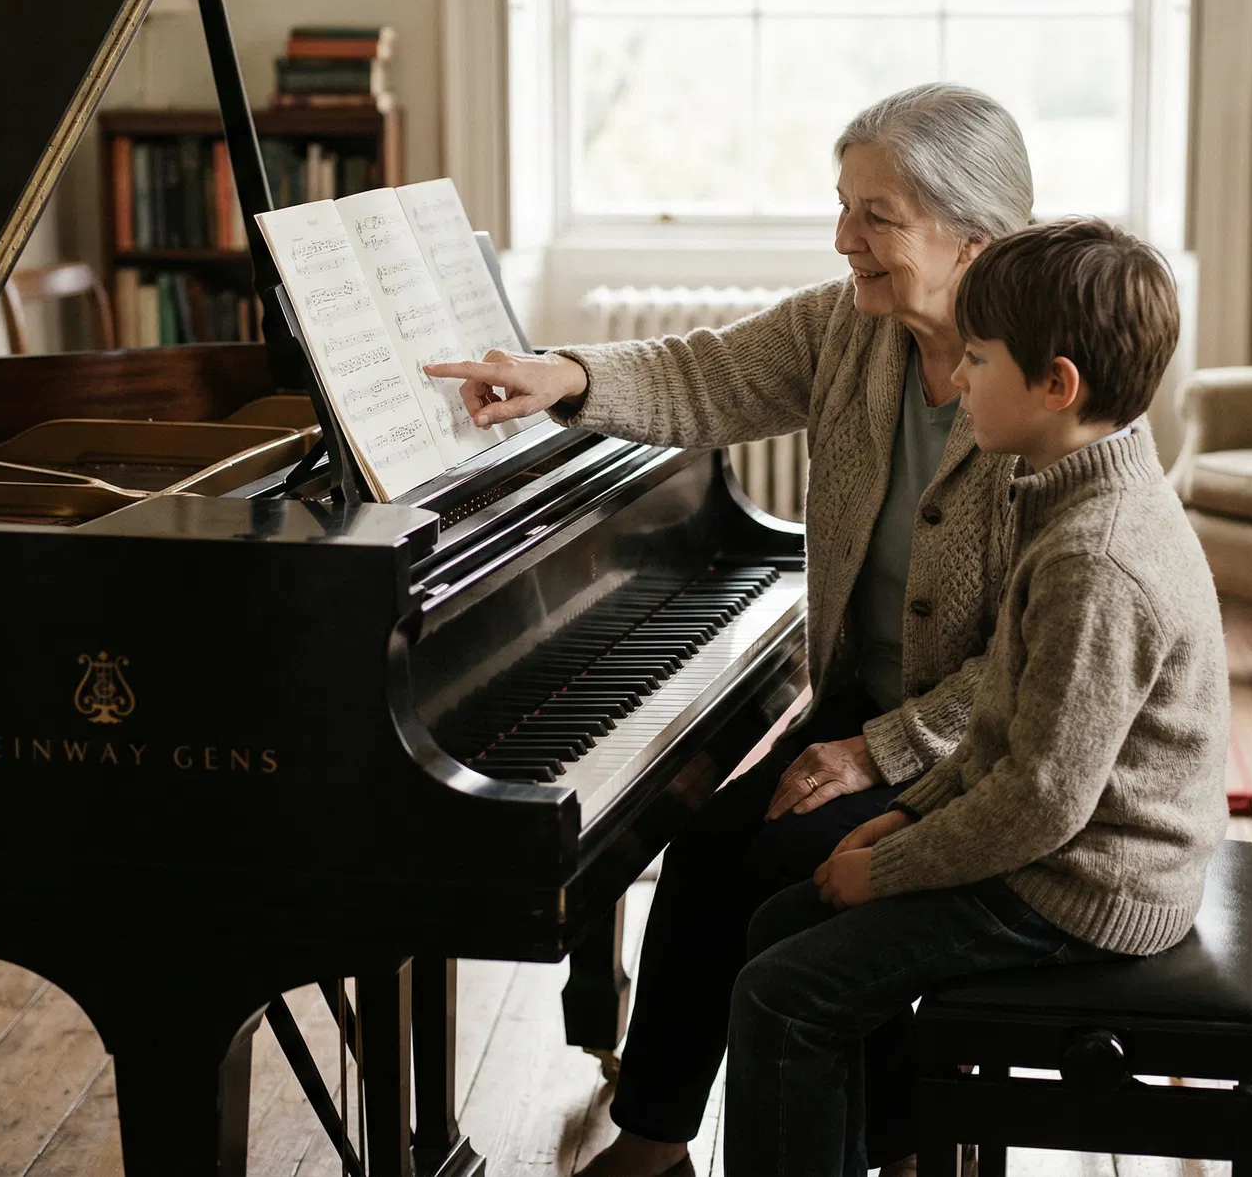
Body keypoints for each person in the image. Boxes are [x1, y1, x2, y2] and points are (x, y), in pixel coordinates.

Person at [427, 83, 1034, 1176]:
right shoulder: (853, 334)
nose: (842, 238)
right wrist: (564, 375)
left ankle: (897, 1149)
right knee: (708, 849)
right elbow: (707, 374)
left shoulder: (1047, 389)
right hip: (873, 701)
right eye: (842, 207)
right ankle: (657, 1137)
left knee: (801, 872)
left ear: (973, 238)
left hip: (987, 744)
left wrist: (875, 752)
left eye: (875, 218)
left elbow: (1036, 670)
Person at [722, 219, 1231, 1177]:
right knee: (782, 924)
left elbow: (1041, 801)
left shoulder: (1098, 558)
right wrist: (905, 813)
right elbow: (1005, 730)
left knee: (780, 994)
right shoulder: (1066, 493)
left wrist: (894, 866)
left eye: (981, 360)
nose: (955, 382)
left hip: (1087, 885)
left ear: (1058, 386)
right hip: (1057, 850)